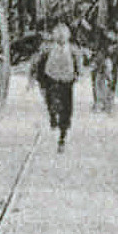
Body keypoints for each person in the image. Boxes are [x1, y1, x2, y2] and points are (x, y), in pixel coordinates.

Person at [33, 23, 85, 152]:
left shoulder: (73, 50)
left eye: (64, 35)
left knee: (67, 109)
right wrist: (35, 78)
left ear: (68, 36)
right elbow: (37, 63)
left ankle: (62, 136)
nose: (61, 38)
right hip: (52, 79)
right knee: (53, 103)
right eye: (58, 35)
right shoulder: (47, 49)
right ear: (54, 36)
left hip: (67, 81)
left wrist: (79, 74)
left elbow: (79, 63)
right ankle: (53, 116)